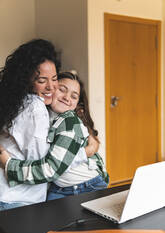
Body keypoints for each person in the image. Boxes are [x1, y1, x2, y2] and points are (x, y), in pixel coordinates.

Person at [0, 40, 99, 210]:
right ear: (27, 80)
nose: (50, 87)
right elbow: (48, 164)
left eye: (54, 79)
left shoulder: (14, 101)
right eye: (41, 80)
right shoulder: (35, 108)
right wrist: (86, 151)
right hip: (18, 198)